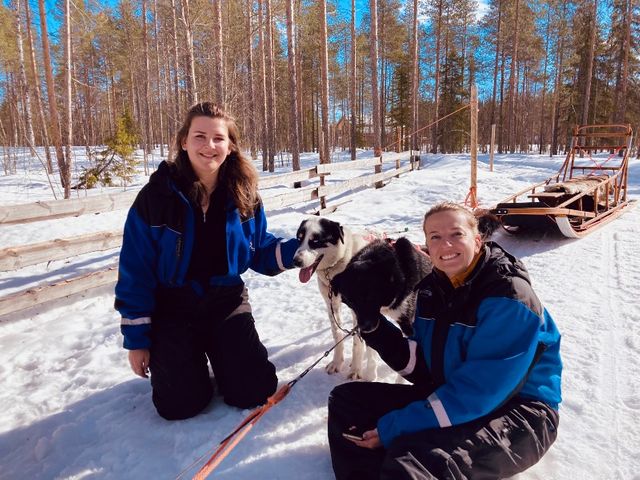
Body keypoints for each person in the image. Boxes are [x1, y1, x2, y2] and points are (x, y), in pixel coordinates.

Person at [328, 202, 562, 479]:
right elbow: (425, 367)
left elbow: (478, 392)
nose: (445, 244)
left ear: (477, 239)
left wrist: (395, 427)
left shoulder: (509, 297)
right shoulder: (430, 292)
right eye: (435, 237)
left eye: (456, 234)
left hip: (520, 414)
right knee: (347, 400)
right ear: (427, 245)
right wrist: (374, 328)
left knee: (416, 461)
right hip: (452, 392)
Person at [114, 102, 299, 420]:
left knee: (254, 391)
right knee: (179, 405)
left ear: (230, 146)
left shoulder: (244, 193)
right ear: (183, 141)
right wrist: (137, 341)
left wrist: (301, 251)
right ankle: (185, 358)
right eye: (200, 136)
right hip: (172, 306)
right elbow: (136, 269)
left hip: (225, 299)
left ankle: (221, 354)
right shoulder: (156, 197)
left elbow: (258, 248)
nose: (209, 146)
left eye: (218, 138)